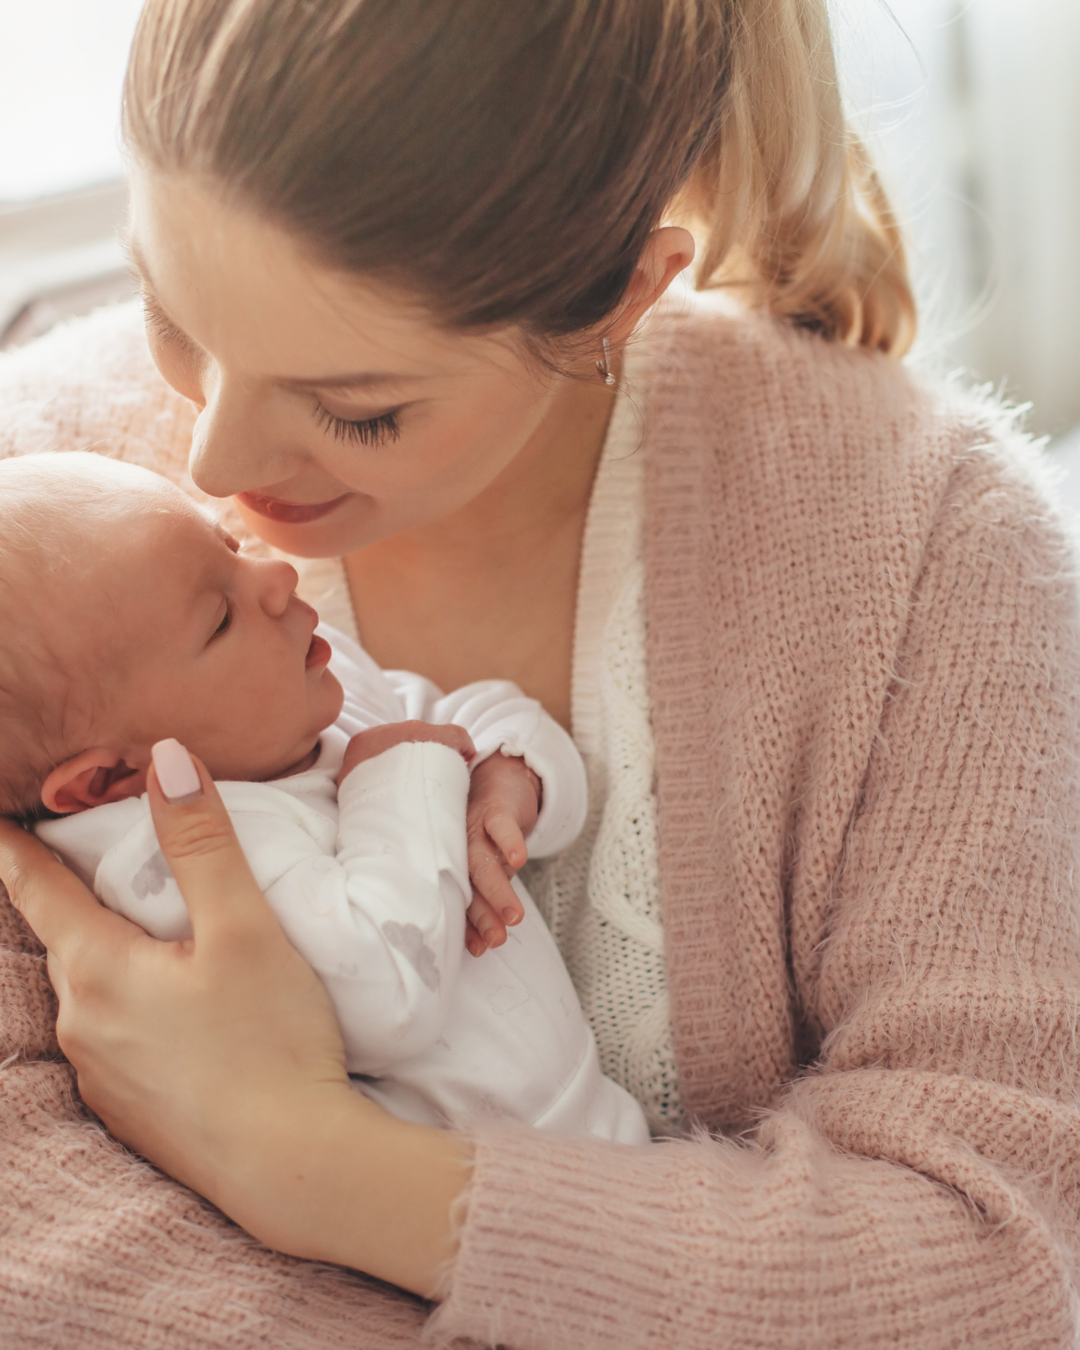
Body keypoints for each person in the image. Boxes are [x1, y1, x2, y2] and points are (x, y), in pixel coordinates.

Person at [0, 0, 1077, 1345]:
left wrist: (308, 1166)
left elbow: (994, 1256)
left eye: (359, 407)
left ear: (626, 287)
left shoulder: (931, 553)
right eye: (169, 306)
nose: (211, 461)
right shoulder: (31, 508)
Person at [0, 451, 646, 1144]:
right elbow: (389, 997)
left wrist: (508, 777)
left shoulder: (295, 704)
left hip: (591, 1117)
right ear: (105, 782)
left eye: (231, 545)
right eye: (219, 618)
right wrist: (397, 774)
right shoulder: (166, 865)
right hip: (451, 1185)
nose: (276, 577)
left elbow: (462, 714)